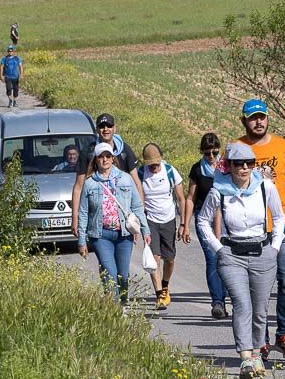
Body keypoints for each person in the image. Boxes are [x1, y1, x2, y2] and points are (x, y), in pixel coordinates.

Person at [197, 142, 285, 379]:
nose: (245, 168)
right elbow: (203, 221)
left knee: (260, 308)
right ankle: (245, 355)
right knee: (241, 304)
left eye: (249, 163)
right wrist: (218, 248)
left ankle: (257, 352)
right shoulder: (219, 191)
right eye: (239, 164)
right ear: (230, 166)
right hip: (231, 254)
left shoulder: (266, 187)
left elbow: (278, 218)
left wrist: (275, 247)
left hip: (262, 252)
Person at [238, 99, 285, 361]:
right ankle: (261, 340)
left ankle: (284, 333)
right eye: (253, 118)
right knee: (257, 287)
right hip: (250, 228)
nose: (258, 122)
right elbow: (224, 189)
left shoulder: (282, 146)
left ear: (268, 119)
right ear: (244, 121)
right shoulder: (237, 149)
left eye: (262, 117)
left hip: (282, 224)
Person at [77, 141, 150, 305]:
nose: (104, 160)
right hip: (100, 235)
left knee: (123, 275)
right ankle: (114, 308)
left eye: (108, 156)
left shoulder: (125, 179)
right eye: (101, 157)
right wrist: (82, 240)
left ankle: (123, 304)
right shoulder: (90, 183)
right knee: (110, 272)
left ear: (113, 158)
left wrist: (145, 231)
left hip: (124, 235)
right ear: (95, 159)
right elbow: (83, 212)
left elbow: (137, 206)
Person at [71, 113, 143, 240]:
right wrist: (75, 218)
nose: (106, 129)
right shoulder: (88, 152)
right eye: (102, 126)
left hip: (123, 218)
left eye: (109, 126)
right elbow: (78, 187)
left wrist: (137, 218)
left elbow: (136, 183)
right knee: (105, 259)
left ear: (114, 128)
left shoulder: (125, 150)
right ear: (97, 130)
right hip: (98, 218)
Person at [182, 133, 226, 319]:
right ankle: (218, 301)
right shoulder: (197, 170)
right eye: (207, 153)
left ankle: (227, 295)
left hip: (226, 217)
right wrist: (185, 224)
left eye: (215, 152)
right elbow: (191, 198)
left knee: (227, 259)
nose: (211, 156)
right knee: (212, 258)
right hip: (204, 216)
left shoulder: (226, 168)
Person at [138, 143, 185, 311]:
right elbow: (137, 199)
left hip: (168, 219)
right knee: (154, 258)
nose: (154, 167)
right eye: (151, 164)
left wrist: (183, 224)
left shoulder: (170, 171)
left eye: (156, 164)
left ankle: (165, 285)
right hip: (150, 221)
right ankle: (159, 295)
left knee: (169, 259)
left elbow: (181, 198)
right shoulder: (141, 174)